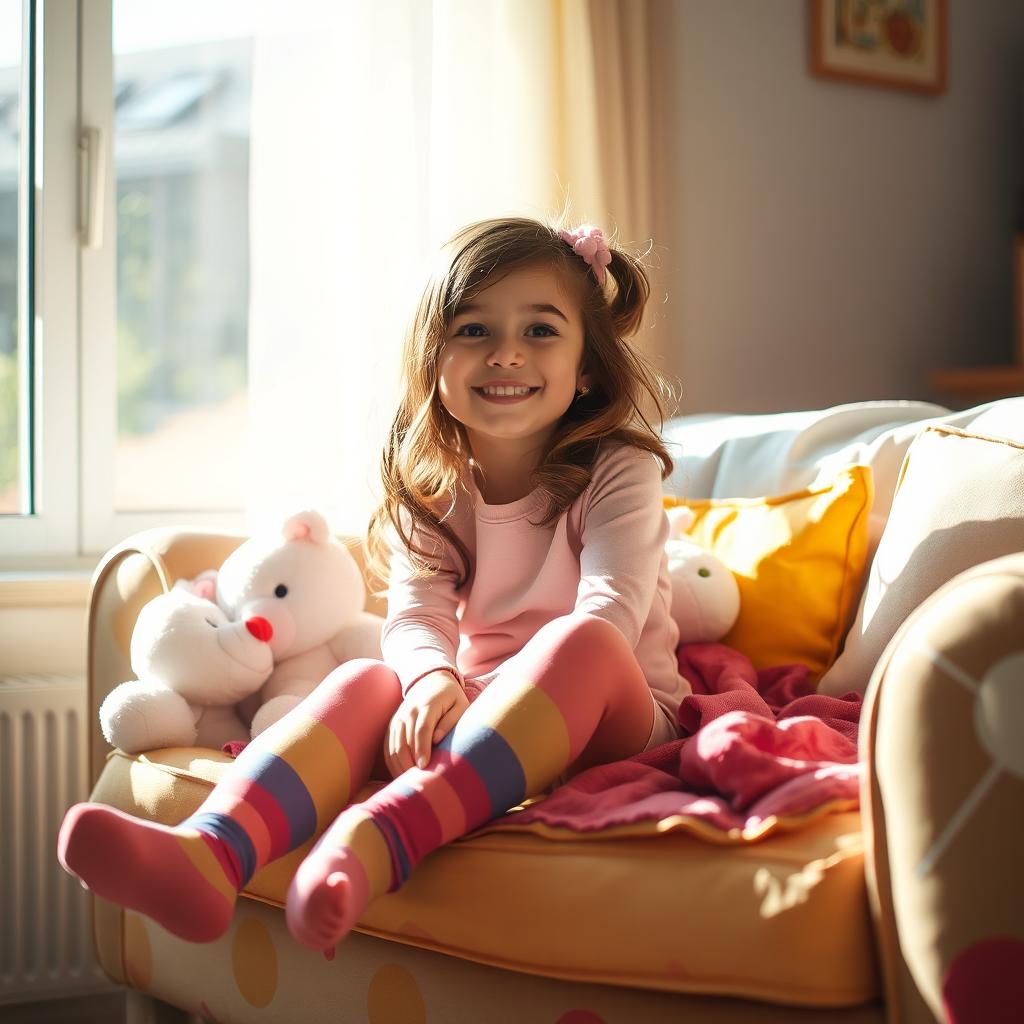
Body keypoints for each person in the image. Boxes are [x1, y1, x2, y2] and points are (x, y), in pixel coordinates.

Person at [57, 215, 691, 953]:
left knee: (579, 639)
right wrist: (428, 678)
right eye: (473, 330)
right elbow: (416, 610)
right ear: (433, 361)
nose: (507, 352)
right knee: (368, 678)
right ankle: (211, 854)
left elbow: (612, 612)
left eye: (541, 331)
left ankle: (388, 834)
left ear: (587, 368)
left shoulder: (619, 469)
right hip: (486, 717)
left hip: (621, 721)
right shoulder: (436, 488)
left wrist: (478, 692)